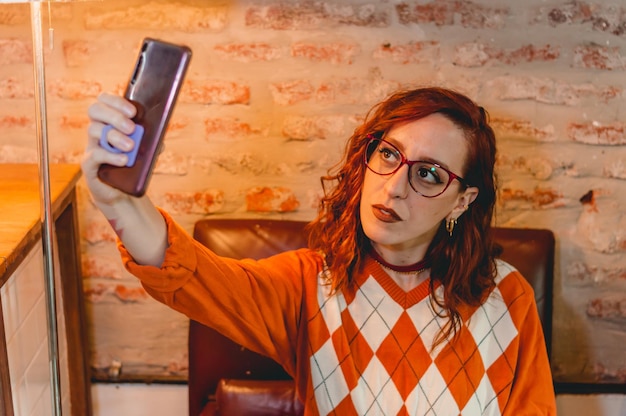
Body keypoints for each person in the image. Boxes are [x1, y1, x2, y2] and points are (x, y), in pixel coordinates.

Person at [82, 87, 556, 415]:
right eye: (389, 154)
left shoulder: (507, 297)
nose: (393, 190)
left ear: (463, 199)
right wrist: (119, 200)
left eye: (428, 174)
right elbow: (190, 274)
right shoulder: (309, 286)